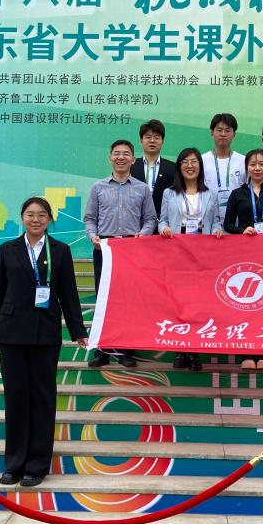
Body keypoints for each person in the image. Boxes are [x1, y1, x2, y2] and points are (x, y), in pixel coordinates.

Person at [0, 197, 88, 488]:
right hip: (11, 334)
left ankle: (37, 466)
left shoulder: (60, 250)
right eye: (30, 214)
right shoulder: (8, 249)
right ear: (22, 218)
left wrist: (78, 330)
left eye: (42, 215)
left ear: (49, 219)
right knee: (16, 398)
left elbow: (69, 293)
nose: (35, 219)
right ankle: (15, 464)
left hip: (45, 333)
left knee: (43, 399)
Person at [84, 139, 158, 368]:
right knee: (104, 299)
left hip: (130, 250)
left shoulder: (142, 188)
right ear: (110, 158)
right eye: (116, 153)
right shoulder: (98, 187)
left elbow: (151, 219)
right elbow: (90, 219)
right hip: (104, 248)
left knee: (129, 299)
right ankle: (102, 351)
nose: (121, 157)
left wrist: (142, 235)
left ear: (133, 160)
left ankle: (126, 350)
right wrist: (93, 237)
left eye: (126, 153)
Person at [158, 147, 224, 371]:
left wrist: (217, 230)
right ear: (179, 167)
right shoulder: (169, 193)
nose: (190, 165)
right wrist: (164, 228)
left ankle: (194, 351)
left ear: (200, 166)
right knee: (179, 302)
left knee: (199, 303)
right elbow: (162, 220)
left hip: (202, 255)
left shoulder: (210, 194)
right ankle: (180, 349)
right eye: (185, 161)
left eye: (194, 161)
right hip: (177, 253)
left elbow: (216, 221)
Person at [223, 148, 263, 371]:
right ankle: (246, 354)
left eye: (261, 164)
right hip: (244, 254)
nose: (257, 168)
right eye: (252, 164)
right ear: (247, 168)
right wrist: (242, 230)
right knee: (244, 303)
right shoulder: (237, 194)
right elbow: (227, 224)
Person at [200, 112, 246, 224]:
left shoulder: (243, 161)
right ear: (212, 133)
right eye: (219, 130)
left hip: (237, 220)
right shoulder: (201, 160)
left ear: (234, 134)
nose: (223, 134)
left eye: (228, 130)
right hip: (208, 218)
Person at [130, 119, 176, 219]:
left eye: (156, 137)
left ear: (162, 141)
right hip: (135, 221)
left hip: (164, 222)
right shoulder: (131, 166)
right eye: (148, 137)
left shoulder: (173, 168)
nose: (152, 140)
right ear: (141, 141)